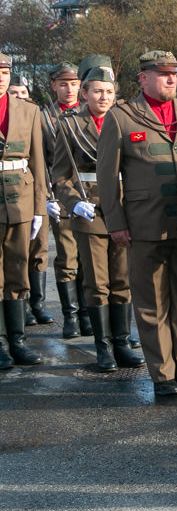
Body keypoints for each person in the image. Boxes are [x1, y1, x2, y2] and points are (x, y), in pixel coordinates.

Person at [96, 50, 177, 396]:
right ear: (143, 78)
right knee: (151, 303)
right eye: (161, 74)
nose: (170, 79)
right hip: (144, 224)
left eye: (173, 73)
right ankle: (163, 375)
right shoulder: (122, 117)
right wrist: (115, 222)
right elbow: (106, 176)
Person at [53, 67, 145, 373]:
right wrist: (74, 203)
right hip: (90, 209)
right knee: (97, 283)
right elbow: (61, 176)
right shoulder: (71, 126)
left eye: (108, 91)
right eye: (96, 91)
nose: (103, 97)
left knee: (122, 280)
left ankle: (122, 342)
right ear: (84, 93)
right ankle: (103, 347)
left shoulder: (125, 120)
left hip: (123, 208)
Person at [0, 52, 48, 369]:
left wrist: (41, 207)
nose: (1, 76)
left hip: (21, 197)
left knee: (18, 269)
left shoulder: (29, 111)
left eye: (5, 71)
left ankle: (17, 340)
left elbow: (38, 160)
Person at [41, 61, 92, 338]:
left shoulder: (88, 113)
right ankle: (71, 315)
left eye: (74, 84)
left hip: (89, 195)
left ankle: (88, 314)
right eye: (63, 84)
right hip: (60, 195)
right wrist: (47, 197)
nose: (69, 89)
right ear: (54, 86)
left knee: (89, 258)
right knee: (68, 256)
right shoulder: (44, 118)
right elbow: (41, 160)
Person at [9, 73, 54, 328]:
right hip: (17, 192)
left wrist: (47, 196)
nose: (19, 97)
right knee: (17, 255)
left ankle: (37, 304)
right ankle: (22, 305)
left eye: (22, 93)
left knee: (39, 250)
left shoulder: (37, 116)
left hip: (39, 191)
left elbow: (46, 158)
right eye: (14, 93)